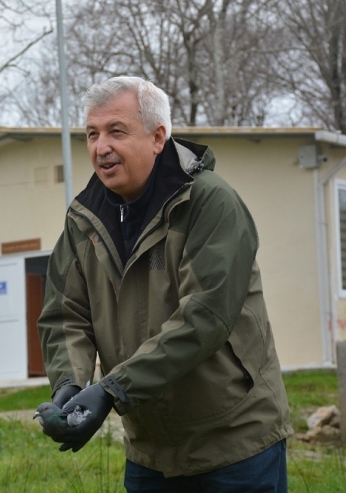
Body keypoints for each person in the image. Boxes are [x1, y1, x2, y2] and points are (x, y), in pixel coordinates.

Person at [37, 77, 293, 492]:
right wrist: (70, 384)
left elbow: (203, 317)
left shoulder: (210, 202)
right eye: (92, 134)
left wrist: (111, 391)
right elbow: (66, 314)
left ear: (158, 137)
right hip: (150, 451)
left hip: (234, 443)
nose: (101, 147)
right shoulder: (83, 220)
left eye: (116, 131)